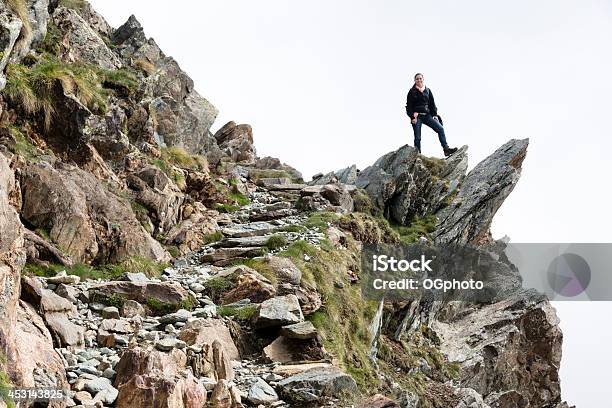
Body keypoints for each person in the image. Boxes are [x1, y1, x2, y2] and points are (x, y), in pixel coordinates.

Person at [405, 73, 458, 157]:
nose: (419, 80)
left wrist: (435, 115)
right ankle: (417, 155)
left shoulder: (428, 90)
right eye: (417, 79)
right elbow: (409, 106)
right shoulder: (412, 91)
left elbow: (432, 104)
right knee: (417, 137)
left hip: (427, 115)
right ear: (414, 81)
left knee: (440, 128)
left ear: (423, 79)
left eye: (420, 78)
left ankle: (446, 149)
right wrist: (412, 117)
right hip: (417, 116)